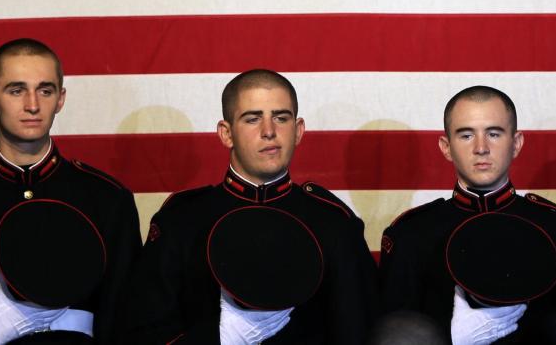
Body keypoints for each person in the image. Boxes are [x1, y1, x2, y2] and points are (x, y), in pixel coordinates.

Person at [0, 38, 142, 344]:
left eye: (45, 90)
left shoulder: (107, 199)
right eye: (16, 90)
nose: (32, 105)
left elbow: (130, 318)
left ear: (60, 99)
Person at [122, 69, 378, 344]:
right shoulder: (183, 220)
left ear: (299, 130)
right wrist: (221, 338)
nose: (269, 132)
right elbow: (143, 331)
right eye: (253, 119)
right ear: (226, 134)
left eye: (281, 118)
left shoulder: (333, 222)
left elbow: (359, 329)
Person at [379, 86, 556, 344]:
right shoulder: (411, 235)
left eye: (494, 133)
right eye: (466, 135)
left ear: (516, 144)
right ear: (446, 147)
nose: (481, 148)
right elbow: (393, 334)